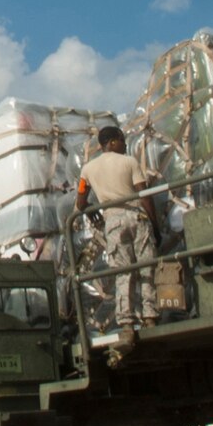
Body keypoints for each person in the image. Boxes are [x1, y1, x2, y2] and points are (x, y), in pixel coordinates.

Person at [76, 126, 160, 348]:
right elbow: (144, 195)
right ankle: (150, 317)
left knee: (123, 271)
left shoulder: (88, 169)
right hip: (137, 216)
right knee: (146, 266)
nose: (124, 144)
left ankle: (126, 326)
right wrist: (155, 224)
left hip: (112, 221)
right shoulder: (129, 162)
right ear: (112, 142)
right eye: (121, 140)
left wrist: (92, 208)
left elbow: (80, 202)